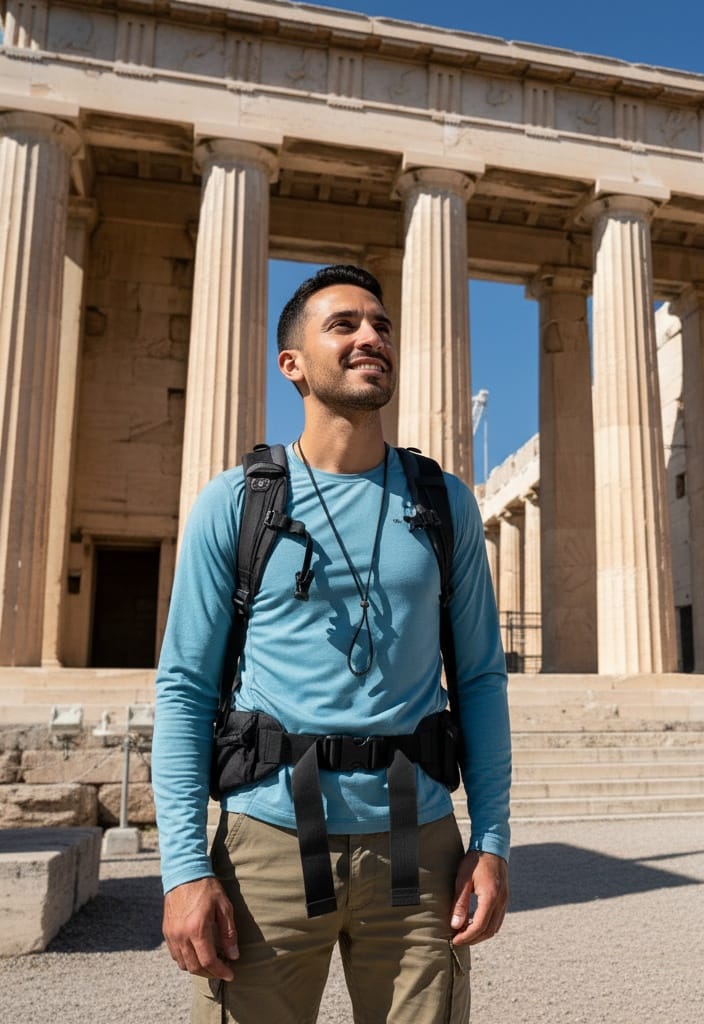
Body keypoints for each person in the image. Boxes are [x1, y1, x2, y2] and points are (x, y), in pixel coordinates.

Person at [152, 264, 511, 1024]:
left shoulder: (442, 502)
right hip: (267, 846)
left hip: (418, 850)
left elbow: (479, 678)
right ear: (292, 364)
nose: (370, 337)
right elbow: (184, 688)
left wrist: (494, 840)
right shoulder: (237, 502)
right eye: (343, 325)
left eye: (380, 325)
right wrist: (184, 869)